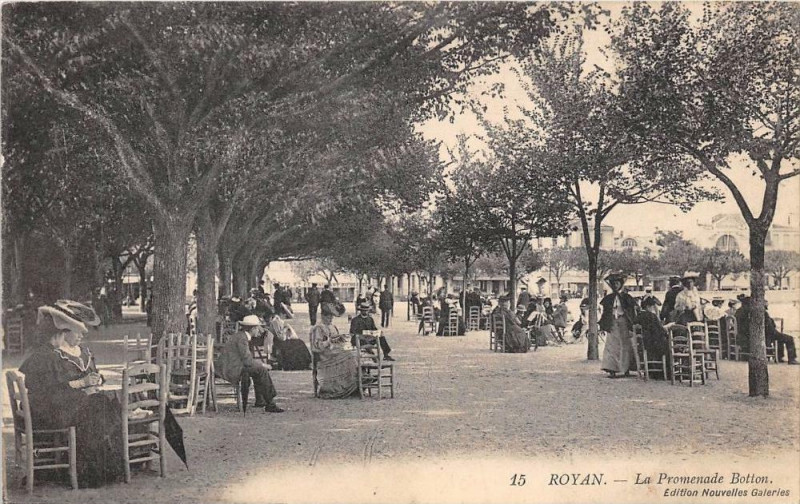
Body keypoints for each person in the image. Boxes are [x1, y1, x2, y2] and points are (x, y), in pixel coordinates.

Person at [19, 304, 124, 488]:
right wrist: (82, 385)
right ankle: (92, 470)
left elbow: (58, 390)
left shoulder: (48, 353)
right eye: (77, 331)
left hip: (54, 406)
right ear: (62, 333)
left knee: (98, 407)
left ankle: (95, 465)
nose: (81, 336)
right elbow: (48, 391)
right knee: (99, 407)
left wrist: (87, 384)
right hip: (45, 413)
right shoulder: (45, 356)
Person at [216, 315, 284, 412]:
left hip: (234, 365)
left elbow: (247, 359)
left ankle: (261, 400)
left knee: (257, 370)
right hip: (231, 368)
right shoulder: (242, 339)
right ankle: (270, 403)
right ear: (252, 329)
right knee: (261, 370)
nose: (259, 331)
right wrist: (262, 364)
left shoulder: (241, 336)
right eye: (257, 328)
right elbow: (247, 361)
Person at [310, 303, 360, 398]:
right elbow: (317, 346)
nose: (331, 319)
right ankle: (346, 386)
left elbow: (335, 339)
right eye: (328, 317)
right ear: (322, 316)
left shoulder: (332, 326)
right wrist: (329, 341)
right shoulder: (318, 328)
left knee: (354, 353)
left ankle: (355, 382)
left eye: (331, 317)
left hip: (334, 351)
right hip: (325, 355)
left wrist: (339, 339)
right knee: (349, 356)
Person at [600, 271, 638, 378]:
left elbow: (631, 312)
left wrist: (632, 325)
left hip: (624, 322)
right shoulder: (608, 298)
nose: (616, 285)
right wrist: (603, 326)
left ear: (620, 284)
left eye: (618, 283)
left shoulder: (627, 297)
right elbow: (605, 313)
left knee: (626, 345)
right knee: (612, 345)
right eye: (614, 283)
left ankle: (626, 369)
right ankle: (612, 369)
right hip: (612, 323)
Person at [634, 296, 671, 371]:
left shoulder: (638, 316)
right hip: (653, 344)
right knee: (670, 345)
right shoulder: (652, 316)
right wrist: (667, 328)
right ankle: (665, 371)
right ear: (648, 306)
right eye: (653, 307)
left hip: (644, 343)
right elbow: (661, 330)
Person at [765, 300, 799, 365]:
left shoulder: (761, 313)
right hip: (770, 334)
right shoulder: (764, 314)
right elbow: (770, 328)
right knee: (789, 338)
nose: (767, 304)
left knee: (780, 338)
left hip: (768, 334)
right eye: (766, 303)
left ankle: (779, 357)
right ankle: (792, 359)